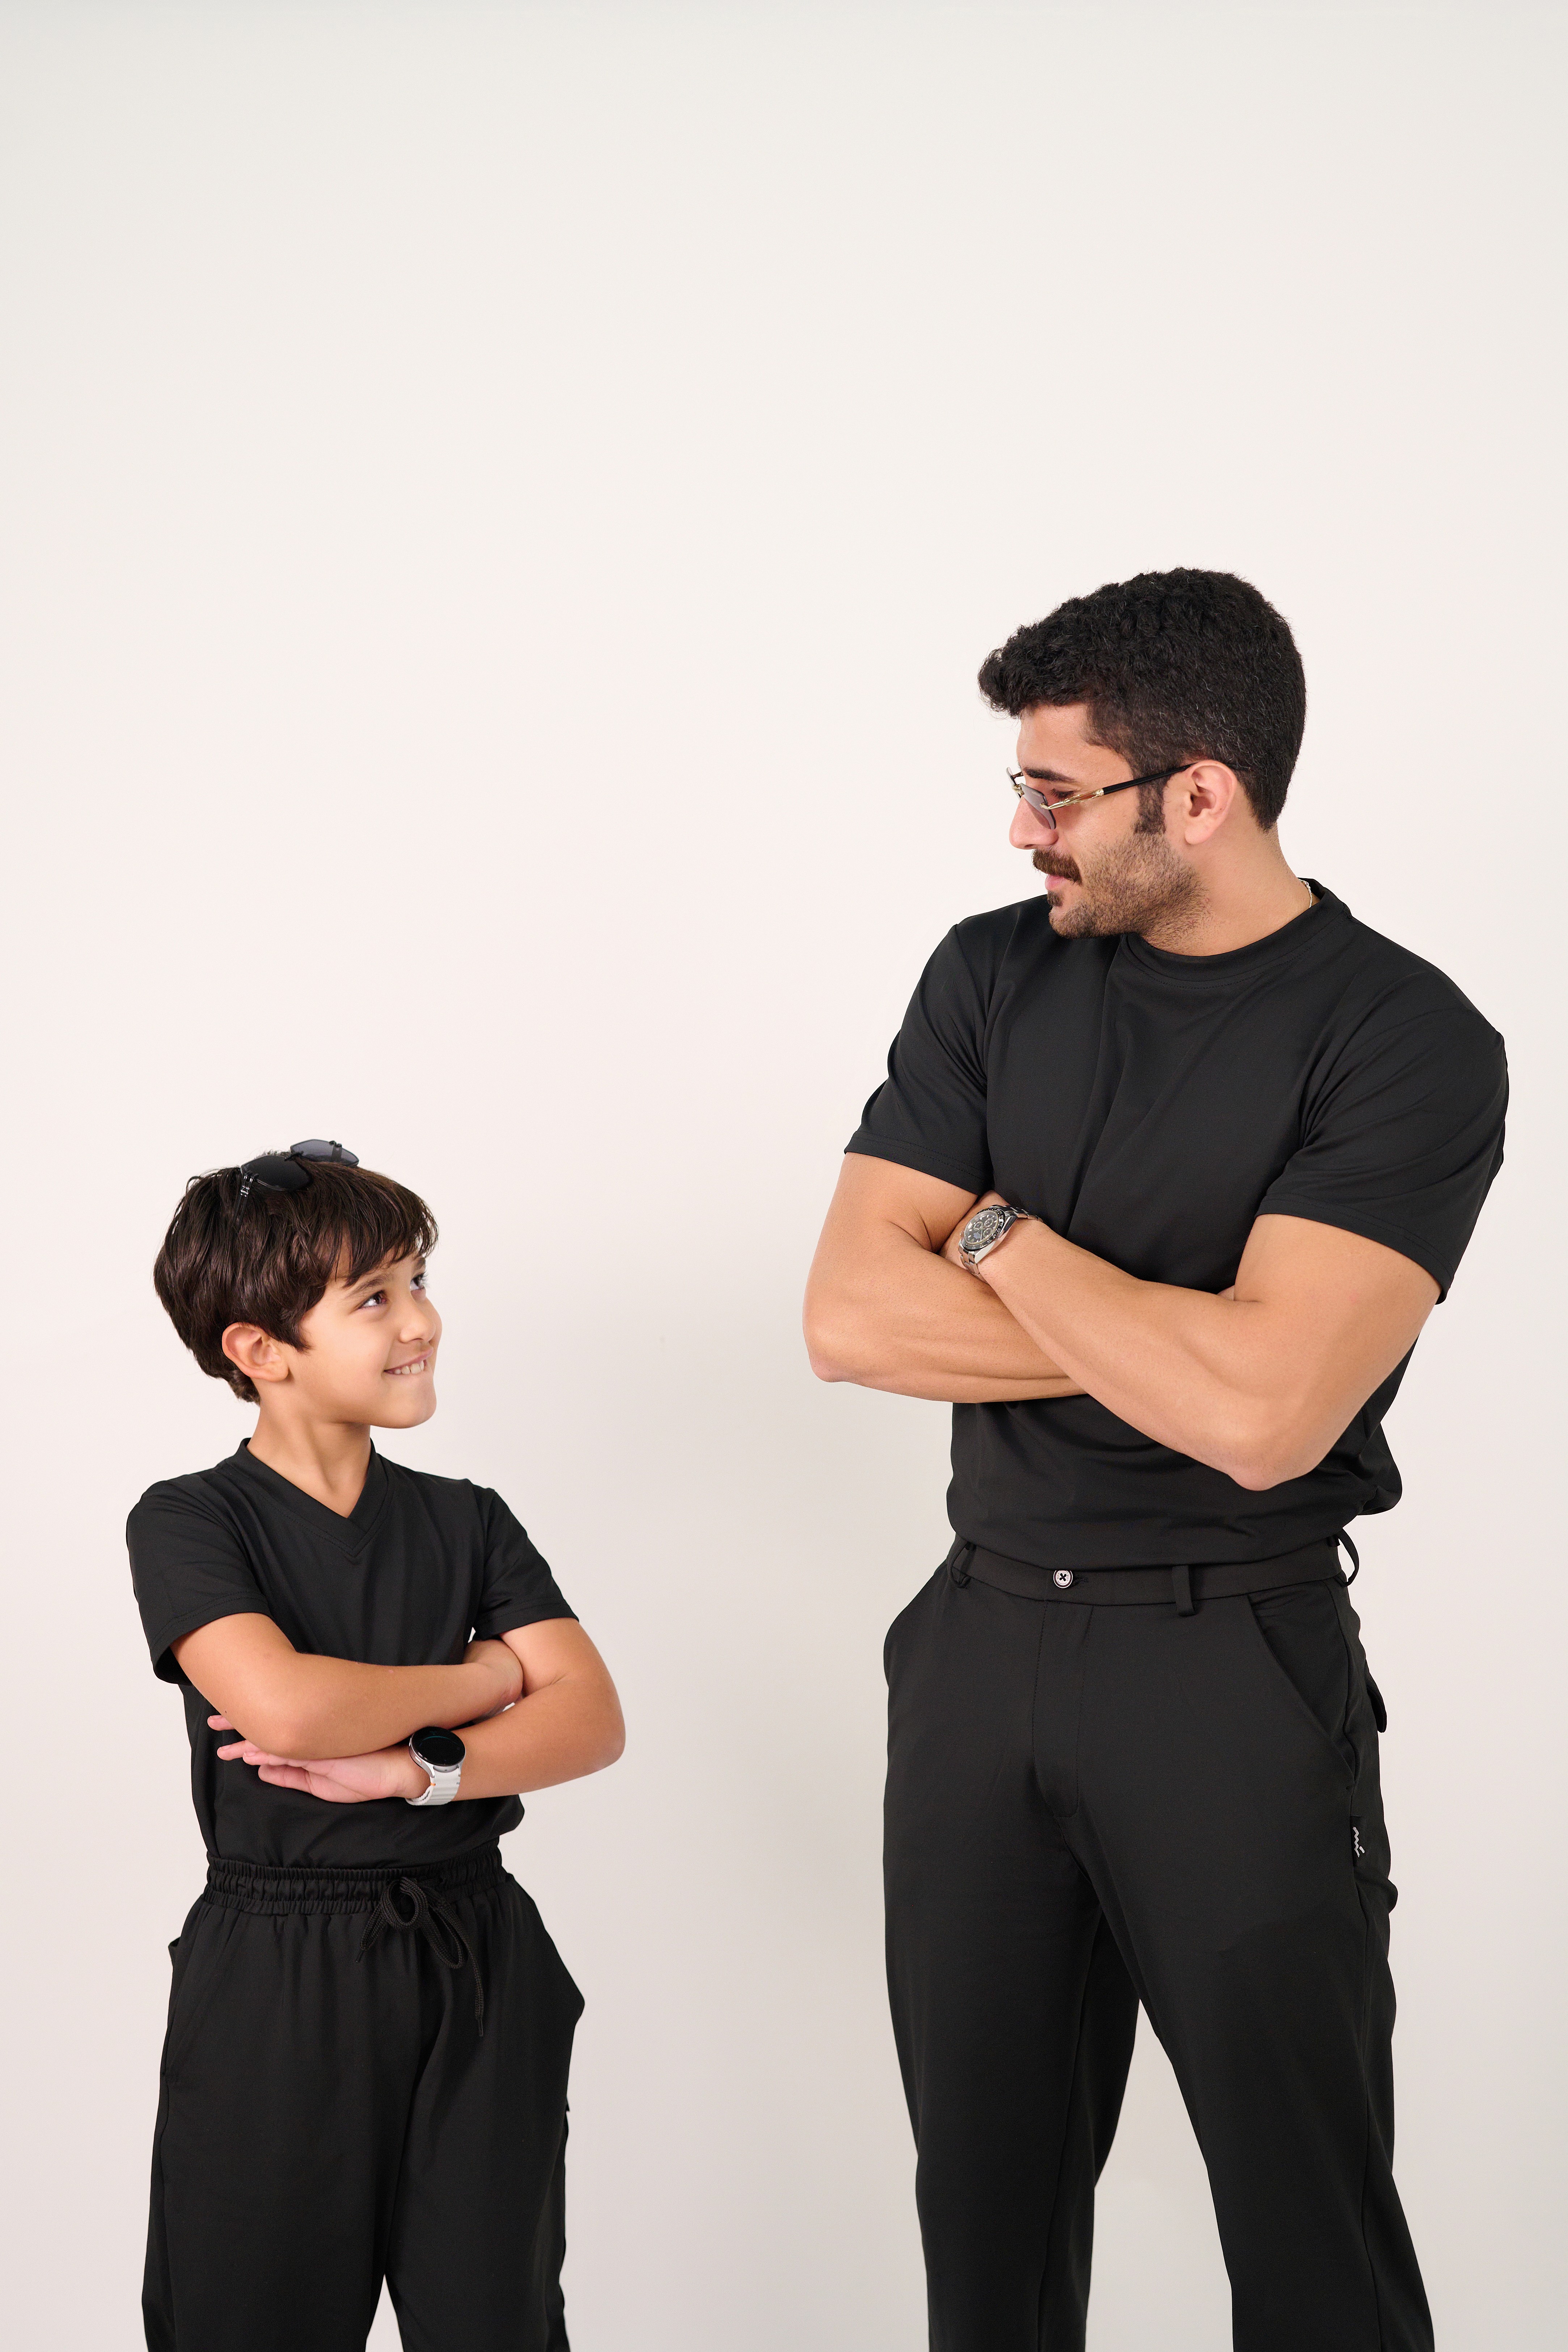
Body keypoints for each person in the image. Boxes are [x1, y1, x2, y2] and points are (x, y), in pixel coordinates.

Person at [804, 570, 1506, 2352]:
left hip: (1233, 1664)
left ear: (1198, 793)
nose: (1022, 828)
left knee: (1307, 2228)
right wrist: (1190, 1332)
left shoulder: (1404, 1039)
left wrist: (993, 1232)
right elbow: (846, 1323)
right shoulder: (987, 971)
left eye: (1057, 792)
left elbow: (1270, 1421)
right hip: (977, 1650)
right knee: (985, 2221)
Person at [129, 1141, 624, 2352]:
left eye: (417, 1280)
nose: (423, 1321)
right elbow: (286, 1707)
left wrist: (419, 1766)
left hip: (475, 1954)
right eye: (375, 1297)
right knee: (252, 2317)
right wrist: (492, 1674)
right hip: (278, 1975)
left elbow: (593, 1718)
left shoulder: (467, 1518)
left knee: (497, 2321)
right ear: (258, 1348)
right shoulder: (190, 1521)